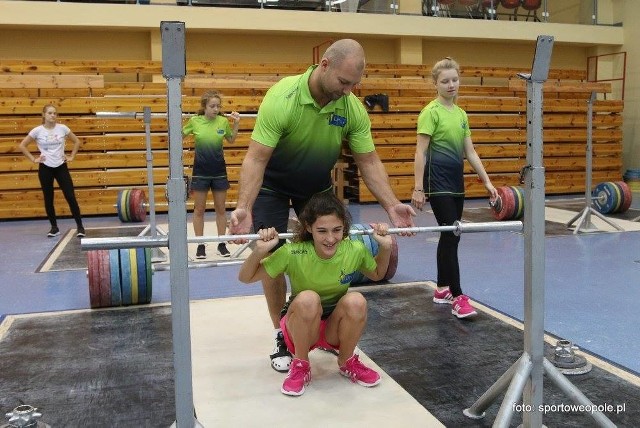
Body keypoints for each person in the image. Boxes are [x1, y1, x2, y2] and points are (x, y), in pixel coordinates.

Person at [229, 38, 415, 372]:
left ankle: (319, 330)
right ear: (324, 65)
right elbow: (256, 159)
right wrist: (244, 206)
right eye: (344, 83)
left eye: (354, 85)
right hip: (272, 185)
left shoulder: (350, 107)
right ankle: (281, 335)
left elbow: (369, 161)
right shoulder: (282, 97)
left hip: (315, 187)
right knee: (271, 254)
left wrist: (392, 205)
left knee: (326, 247)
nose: (348, 91)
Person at [238, 191, 391, 396]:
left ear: (344, 227)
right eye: (322, 231)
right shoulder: (293, 252)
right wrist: (260, 250)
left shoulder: (354, 249)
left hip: (333, 328)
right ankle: (301, 365)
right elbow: (245, 278)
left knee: (356, 301)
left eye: (337, 230)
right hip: (301, 327)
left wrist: (386, 248)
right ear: (309, 228)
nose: (330, 238)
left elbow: (378, 274)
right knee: (308, 299)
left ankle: (346, 362)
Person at [412, 57, 497, 319]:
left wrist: (487, 181)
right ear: (435, 84)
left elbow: (470, 152)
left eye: (454, 80)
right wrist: (417, 187)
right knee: (452, 234)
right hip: (437, 185)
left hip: (456, 184)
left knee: (451, 237)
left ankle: (441, 289)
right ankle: (458, 296)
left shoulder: (461, 115)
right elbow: (420, 151)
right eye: (445, 81)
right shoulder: (431, 112)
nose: (451, 85)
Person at [183, 91, 240, 259]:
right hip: (200, 172)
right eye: (212, 106)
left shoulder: (223, 121)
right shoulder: (195, 121)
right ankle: (200, 245)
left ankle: (221, 244)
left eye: (218, 106)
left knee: (221, 209)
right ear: (204, 107)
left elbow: (231, 140)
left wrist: (236, 123)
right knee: (199, 209)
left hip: (219, 172)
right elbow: (178, 135)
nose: (216, 109)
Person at [18, 104, 85, 238]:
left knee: (70, 196)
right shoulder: (37, 131)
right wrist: (34, 159)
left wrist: (71, 156)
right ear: (44, 115)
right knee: (48, 199)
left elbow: (77, 141)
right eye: (50, 113)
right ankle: (54, 227)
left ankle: (80, 227)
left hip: (61, 166)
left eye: (54, 113)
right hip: (45, 168)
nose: (53, 115)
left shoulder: (63, 129)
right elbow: (22, 145)